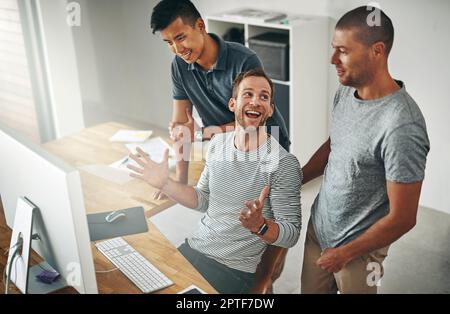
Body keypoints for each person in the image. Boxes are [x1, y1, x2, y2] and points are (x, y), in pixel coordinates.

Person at [127, 69, 302, 294]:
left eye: (264, 97)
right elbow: (203, 200)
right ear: (232, 104)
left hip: (232, 270)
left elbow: (292, 232)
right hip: (194, 247)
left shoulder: (283, 163)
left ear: (270, 110)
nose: (256, 101)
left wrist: (260, 226)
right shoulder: (218, 144)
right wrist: (166, 184)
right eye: (248, 94)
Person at [300, 6, 430, 294]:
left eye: (342, 51)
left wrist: (345, 253)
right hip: (319, 231)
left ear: (377, 51)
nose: (332, 60)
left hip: (359, 254)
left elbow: (403, 218)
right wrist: (297, 177)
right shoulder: (347, 90)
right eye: (333, 49)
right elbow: (337, 144)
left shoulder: (402, 126)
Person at [149, 0, 290, 200]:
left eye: (180, 38)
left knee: (258, 213)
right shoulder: (179, 67)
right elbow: (182, 126)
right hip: (228, 143)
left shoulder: (244, 60)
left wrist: (203, 134)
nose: (177, 49)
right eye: (169, 42)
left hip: (266, 143)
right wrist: (180, 183)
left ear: (200, 25)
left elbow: (254, 122)